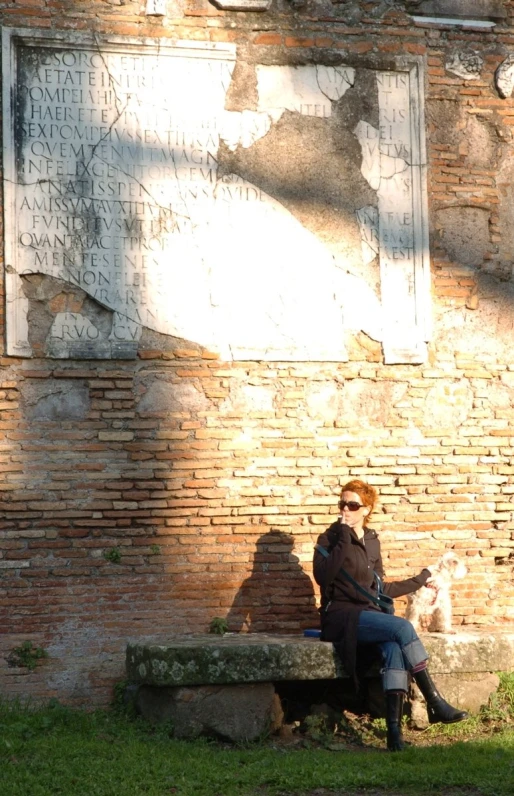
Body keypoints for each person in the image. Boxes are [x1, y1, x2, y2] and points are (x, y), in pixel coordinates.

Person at [313, 479, 468, 752]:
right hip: (341, 617)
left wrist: (420, 579)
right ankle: (435, 702)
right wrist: (345, 537)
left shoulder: (372, 540)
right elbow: (324, 577)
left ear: (366, 509)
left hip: (369, 614)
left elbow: (380, 588)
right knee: (401, 628)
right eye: (342, 504)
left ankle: (394, 734)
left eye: (352, 505)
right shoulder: (330, 538)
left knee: (394, 646)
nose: (345, 509)